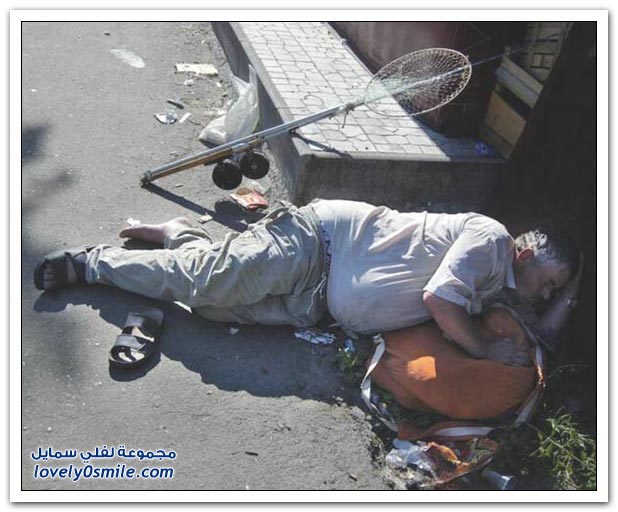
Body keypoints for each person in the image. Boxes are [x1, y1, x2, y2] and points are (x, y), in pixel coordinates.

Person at [34, 199, 582, 367]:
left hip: (314, 304)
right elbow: (439, 299)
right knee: (204, 281)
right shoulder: (490, 239)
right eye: (551, 281)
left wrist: (573, 291)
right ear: (526, 251)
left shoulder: (497, 288)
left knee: (209, 307)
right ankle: (92, 263)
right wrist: (483, 348)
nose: (546, 293)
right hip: (316, 246)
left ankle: (181, 234)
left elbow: (544, 337)